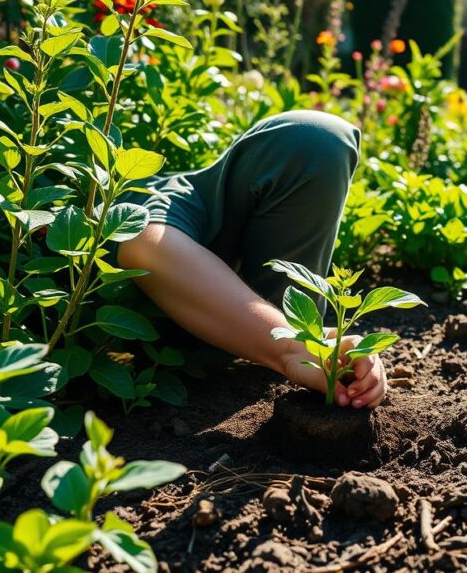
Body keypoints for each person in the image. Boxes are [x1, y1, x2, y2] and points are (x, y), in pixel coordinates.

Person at [117, 110, 387, 409]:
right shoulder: (156, 200)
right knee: (313, 138)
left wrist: (329, 344)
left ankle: (265, 334)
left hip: (231, 331)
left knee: (320, 139)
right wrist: (292, 348)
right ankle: (270, 337)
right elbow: (142, 245)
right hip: (113, 332)